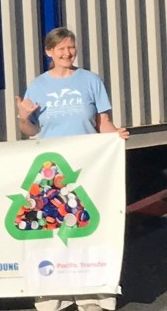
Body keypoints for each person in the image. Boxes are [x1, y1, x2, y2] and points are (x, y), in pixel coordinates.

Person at [15, 27, 129, 311]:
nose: (67, 53)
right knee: (51, 229)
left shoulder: (91, 80)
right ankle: (53, 296)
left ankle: (92, 295)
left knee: (87, 226)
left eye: (71, 47)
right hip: (52, 170)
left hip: (87, 167)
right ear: (49, 53)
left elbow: (103, 121)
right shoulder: (38, 85)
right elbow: (29, 131)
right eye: (61, 49)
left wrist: (116, 136)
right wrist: (23, 117)